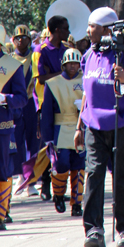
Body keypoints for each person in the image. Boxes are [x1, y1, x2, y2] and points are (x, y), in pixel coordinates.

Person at [74, 7, 124, 247]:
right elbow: (87, 93)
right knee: (94, 176)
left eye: (93, 26)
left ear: (107, 29)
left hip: (122, 127)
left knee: (123, 178)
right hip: (93, 128)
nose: (88, 30)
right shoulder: (88, 55)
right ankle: (94, 230)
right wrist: (79, 127)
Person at [0, 21, 27, 230]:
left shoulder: (13, 66)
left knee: (0, 167)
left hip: (2, 122)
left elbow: (22, 98)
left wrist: (4, 98)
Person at [40, 47, 85, 216]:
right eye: (69, 64)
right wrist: (48, 137)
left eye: (75, 63)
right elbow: (47, 113)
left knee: (79, 166)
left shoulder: (85, 80)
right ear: (63, 65)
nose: (72, 67)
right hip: (60, 129)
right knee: (61, 164)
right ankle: (58, 194)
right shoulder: (53, 83)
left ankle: (77, 203)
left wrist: (85, 107)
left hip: (79, 127)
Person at [33, 14, 71, 201]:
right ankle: (45, 185)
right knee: (48, 145)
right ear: (57, 30)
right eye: (65, 28)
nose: (69, 32)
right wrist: (62, 73)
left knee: (63, 146)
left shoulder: (66, 49)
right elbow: (41, 78)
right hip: (45, 104)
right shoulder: (40, 50)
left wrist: (55, 74)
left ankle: (60, 187)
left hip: (65, 104)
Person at [11, 25, 40, 195]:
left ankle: (31, 179)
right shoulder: (10, 59)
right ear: (13, 40)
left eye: (24, 37)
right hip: (15, 102)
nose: (21, 40)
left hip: (31, 102)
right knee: (17, 140)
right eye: (18, 37)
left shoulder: (35, 57)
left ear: (29, 39)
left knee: (33, 141)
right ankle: (20, 176)